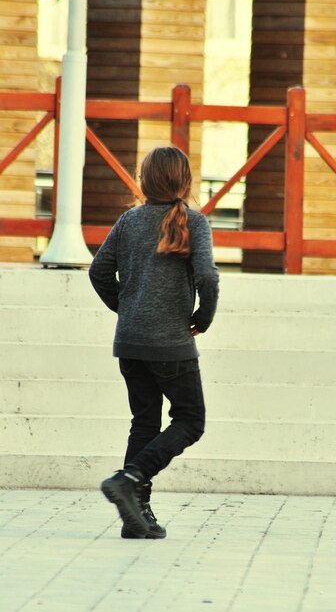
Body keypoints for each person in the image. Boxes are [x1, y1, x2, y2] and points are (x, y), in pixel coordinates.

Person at [89, 146, 219, 539]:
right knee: (191, 420)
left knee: (144, 422)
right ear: (185, 181)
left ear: (144, 180)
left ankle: (136, 515)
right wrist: (203, 318)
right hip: (170, 343)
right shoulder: (193, 222)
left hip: (130, 343)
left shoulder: (129, 220)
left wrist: (126, 310)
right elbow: (208, 278)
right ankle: (131, 479)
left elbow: (98, 272)